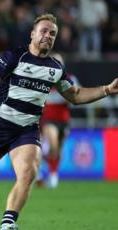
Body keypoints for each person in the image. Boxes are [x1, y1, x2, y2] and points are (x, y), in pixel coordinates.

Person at [0, 14, 118, 230]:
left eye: (52, 33)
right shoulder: (16, 56)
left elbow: (74, 95)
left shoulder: (55, 68)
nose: (48, 36)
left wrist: (106, 89)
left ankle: (8, 223)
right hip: (0, 125)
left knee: (28, 173)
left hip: (27, 129)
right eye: (43, 31)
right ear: (33, 34)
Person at [38, 53, 80, 189]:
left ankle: (52, 172)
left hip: (64, 119)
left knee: (58, 150)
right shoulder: (43, 80)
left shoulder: (70, 79)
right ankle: (45, 169)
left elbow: (77, 96)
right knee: (54, 145)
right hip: (49, 119)